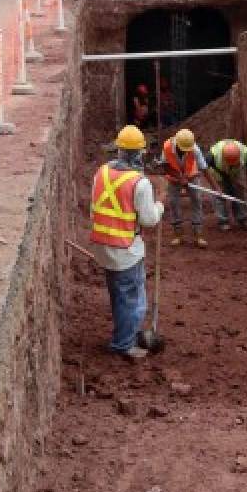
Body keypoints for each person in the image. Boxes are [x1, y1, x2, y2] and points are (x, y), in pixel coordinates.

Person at [90, 126, 164, 360]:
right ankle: (124, 344)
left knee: (118, 295)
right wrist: (160, 203)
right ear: (139, 153)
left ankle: (124, 334)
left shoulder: (101, 172)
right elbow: (149, 220)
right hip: (126, 249)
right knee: (134, 300)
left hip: (102, 245)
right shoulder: (139, 183)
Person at [159, 128, 221, 248]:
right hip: (173, 177)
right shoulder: (167, 147)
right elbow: (165, 166)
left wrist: (216, 188)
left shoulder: (194, 149)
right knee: (173, 202)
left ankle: (198, 234)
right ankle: (178, 234)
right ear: (177, 144)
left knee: (197, 200)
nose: (184, 151)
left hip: (191, 176)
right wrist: (179, 177)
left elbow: (204, 169)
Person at [209, 139, 247, 231]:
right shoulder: (213, 155)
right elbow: (205, 171)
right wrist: (216, 187)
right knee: (220, 196)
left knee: (240, 194)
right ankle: (223, 222)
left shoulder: (245, 153)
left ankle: (242, 219)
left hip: (236, 172)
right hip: (218, 173)